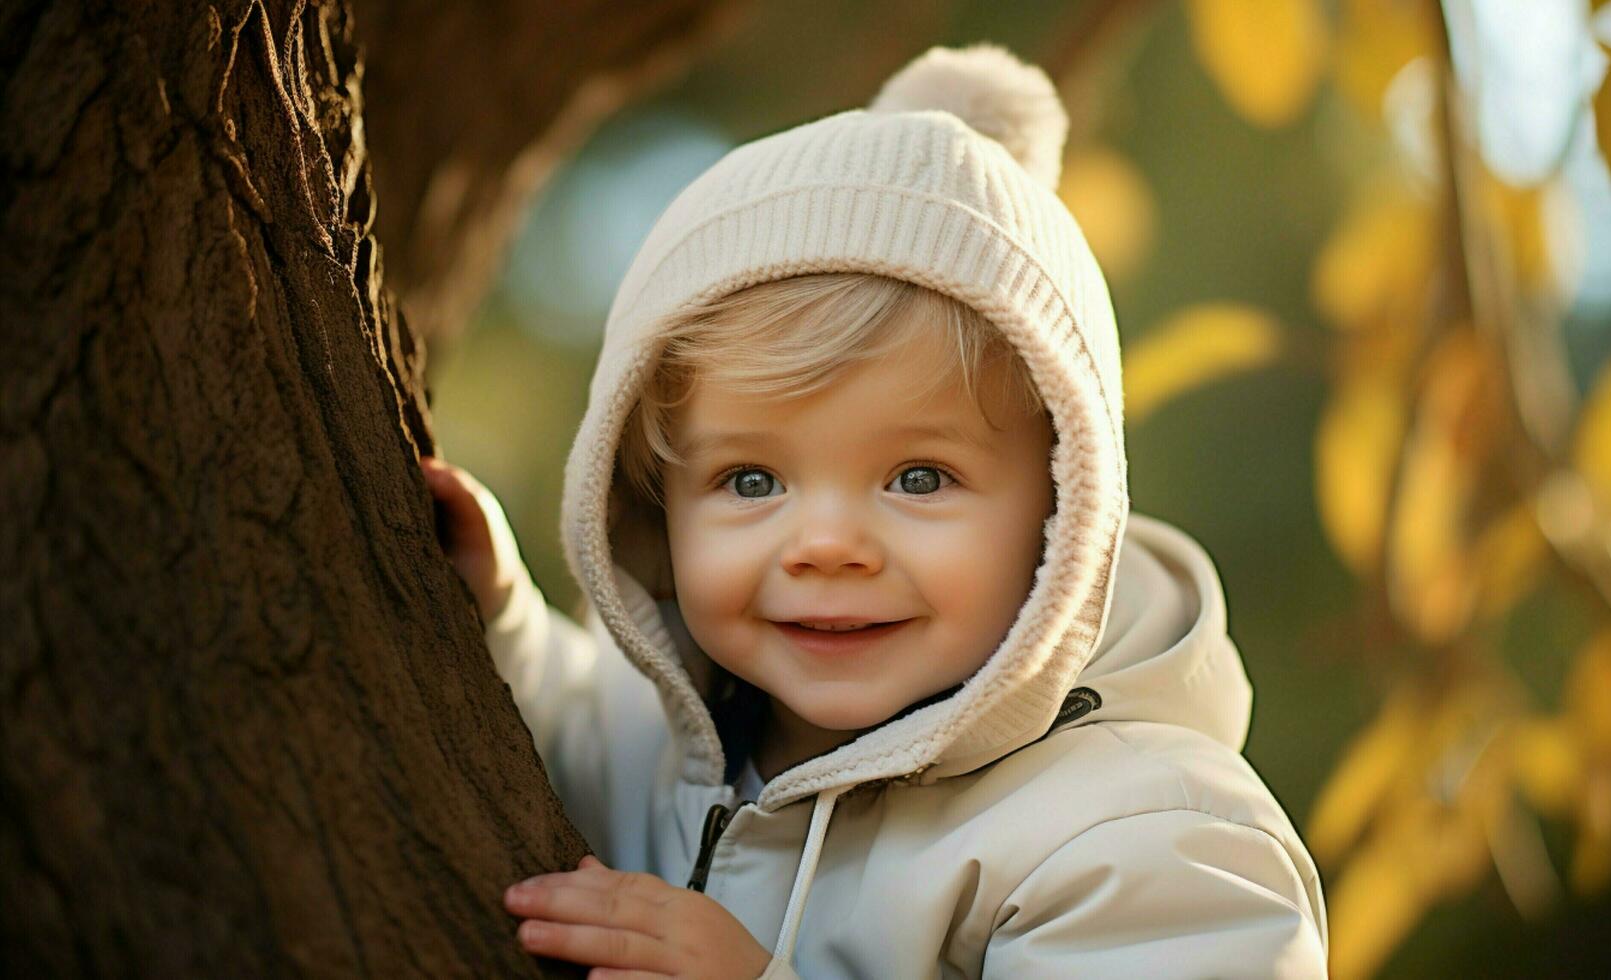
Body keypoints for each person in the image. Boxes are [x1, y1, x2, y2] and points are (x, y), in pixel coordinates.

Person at [422, 42, 1328, 978]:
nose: (825, 546)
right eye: (750, 481)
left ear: (1065, 509)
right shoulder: (667, 724)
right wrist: (491, 616)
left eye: (919, 478)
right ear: (654, 507)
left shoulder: (1142, 837)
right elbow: (575, 728)